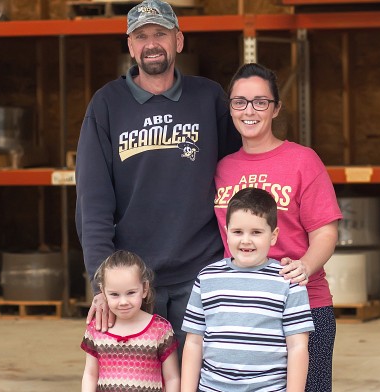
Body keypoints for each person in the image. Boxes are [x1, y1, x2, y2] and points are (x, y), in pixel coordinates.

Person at [74, 0, 241, 355]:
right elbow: (93, 202)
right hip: (131, 282)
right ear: (131, 45)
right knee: (139, 380)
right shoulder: (106, 105)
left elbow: (238, 178)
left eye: (161, 34)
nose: (152, 43)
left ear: (178, 41)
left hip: (201, 272)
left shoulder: (209, 97)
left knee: (199, 378)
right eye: (142, 36)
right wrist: (103, 284)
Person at [214, 63, 343, 392]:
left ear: (276, 108)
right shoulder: (222, 168)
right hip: (241, 310)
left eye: (260, 101)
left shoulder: (303, 160)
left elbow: (325, 232)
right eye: (239, 102)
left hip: (303, 305)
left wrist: (305, 266)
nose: (249, 111)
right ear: (230, 107)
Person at [181, 187, 315, 392]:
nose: (246, 240)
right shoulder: (207, 278)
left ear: (273, 235)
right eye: (237, 232)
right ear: (226, 233)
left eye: (256, 232)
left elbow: (297, 347)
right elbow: (194, 343)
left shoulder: (288, 280)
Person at [81, 249, 180, 392]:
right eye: (114, 294)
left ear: (144, 289)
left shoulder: (161, 329)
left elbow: (172, 378)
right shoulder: (96, 329)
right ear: (103, 292)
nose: (123, 302)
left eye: (131, 293)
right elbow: (90, 374)